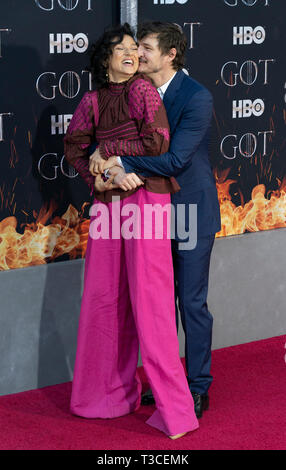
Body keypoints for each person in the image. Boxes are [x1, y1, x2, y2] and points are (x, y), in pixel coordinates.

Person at [64, 23, 199, 439]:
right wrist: (99, 178)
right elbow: (73, 147)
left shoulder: (142, 92)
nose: (131, 54)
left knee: (151, 302)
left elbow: (158, 144)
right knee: (103, 300)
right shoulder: (92, 100)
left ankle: (176, 412)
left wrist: (113, 156)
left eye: (134, 48)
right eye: (121, 49)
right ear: (106, 61)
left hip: (147, 200)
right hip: (108, 205)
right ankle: (104, 396)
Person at [98, 22, 221, 419]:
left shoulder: (196, 97)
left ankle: (198, 387)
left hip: (189, 210)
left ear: (170, 55)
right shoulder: (136, 92)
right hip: (149, 212)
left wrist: (121, 160)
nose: (139, 54)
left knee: (190, 303)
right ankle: (168, 383)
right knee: (157, 305)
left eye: (147, 48)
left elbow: (174, 160)